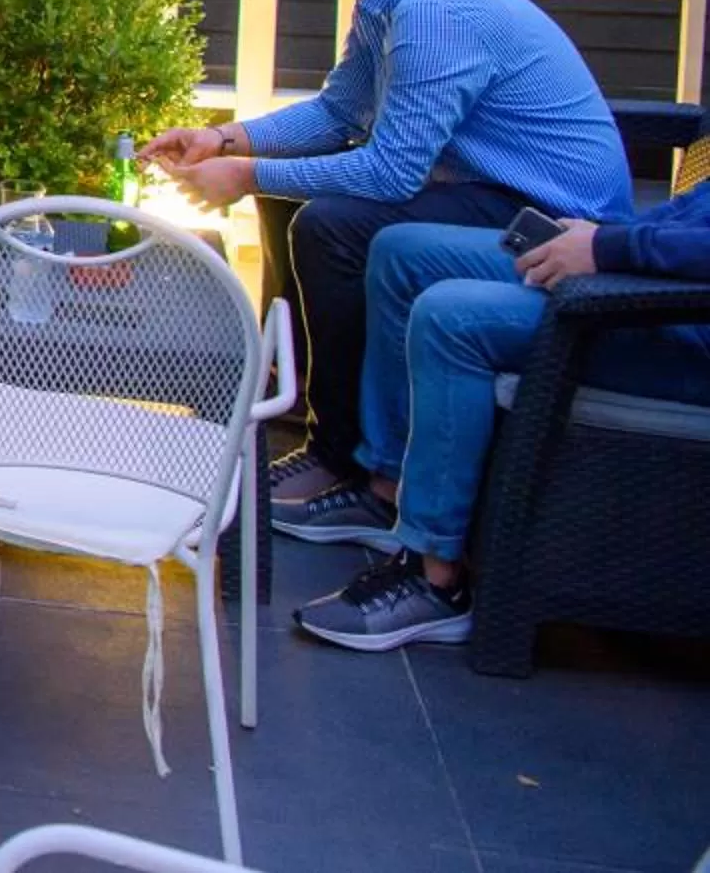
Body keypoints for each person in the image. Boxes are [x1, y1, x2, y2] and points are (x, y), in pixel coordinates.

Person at [144, 0, 630, 518]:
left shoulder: (435, 13)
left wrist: (246, 174)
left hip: (550, 218)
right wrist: (227, 140)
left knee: (331, 224)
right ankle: (325, 417)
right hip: (486, 187)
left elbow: (391, 172)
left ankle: (347, 460)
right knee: (298, 205)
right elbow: (340, 112)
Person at [287, 186, 710, 651]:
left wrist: (608, 249)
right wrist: (605, 236)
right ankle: (388, 490)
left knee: (450, 317)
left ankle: (435, 576)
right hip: (651, 267)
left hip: (678, 320)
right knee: (400, 250)